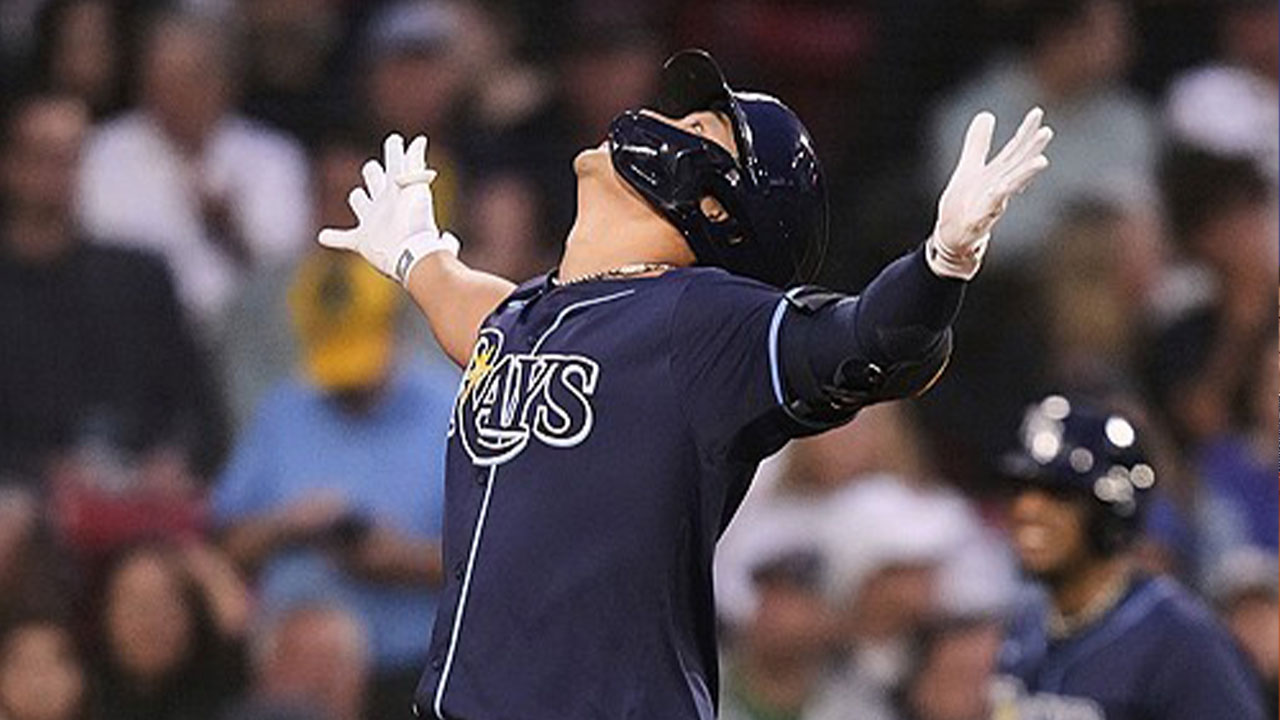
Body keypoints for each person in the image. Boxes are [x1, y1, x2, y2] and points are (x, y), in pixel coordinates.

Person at [319, 49, 1053, 719]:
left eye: (697, 125)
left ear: (713, 206)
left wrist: (941, 263)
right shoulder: (536, 309)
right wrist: (417, 256)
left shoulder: (705, 324)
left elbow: (869, 343)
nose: (662, 122)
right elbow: (476, 312)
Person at [212, 252, 457, 719]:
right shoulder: (285, 410)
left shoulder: (450, 409)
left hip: (411, 679)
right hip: (289, 684)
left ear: (392, 327)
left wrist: (401, 559)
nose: (349, 385)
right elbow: (227, 543)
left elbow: (501, 564)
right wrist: (287, 524)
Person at [995, 395, 1266, 720]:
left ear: (1111, 514)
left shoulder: (1181, 642)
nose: (1027, 508)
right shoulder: (1024, 627)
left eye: (1058, 493)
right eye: (1021, 488)